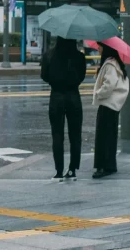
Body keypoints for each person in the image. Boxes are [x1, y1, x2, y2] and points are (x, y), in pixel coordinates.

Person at [40, 36, 87, 180]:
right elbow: (82, 76)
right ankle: (72, 169)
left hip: (56, 96)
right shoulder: (79, 57)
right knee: (75, 135)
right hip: (73, 96)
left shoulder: (49, 55)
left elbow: (44, 76)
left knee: (57, 134)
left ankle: (58, 170)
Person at [92, 43, 129, 179]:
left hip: (107, 104)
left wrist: (98, 93)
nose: (98, 48)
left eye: (100, 46)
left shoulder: (109, 64)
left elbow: (109, 85)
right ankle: (110, 165)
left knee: (102, 137)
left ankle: (102, 167)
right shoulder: (114, 63)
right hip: (113, 105)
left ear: (106, 48)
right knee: (110, 136)